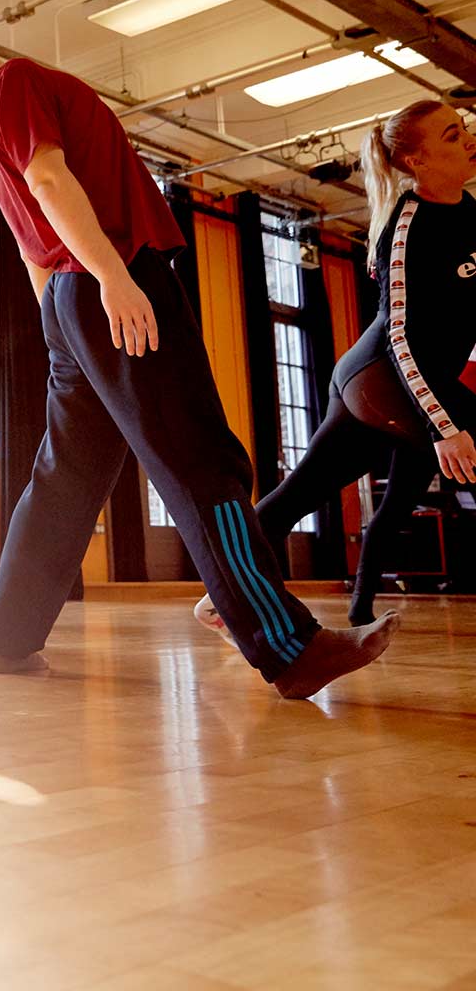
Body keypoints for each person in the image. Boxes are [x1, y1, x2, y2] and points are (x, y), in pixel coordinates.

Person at [0, 29, 399, 698]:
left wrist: (66, 324)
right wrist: (111, 279)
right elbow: (49, 182)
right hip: (110, 277)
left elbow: (32, 251)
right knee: (199, 461)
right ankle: (290, 647)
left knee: (65, 482)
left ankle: (9, 638)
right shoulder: (8, 85)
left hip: (72, 299)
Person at [195, 100, 475, 637]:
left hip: (417, 384)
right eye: (449, 134)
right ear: (417, 161)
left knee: (302, 495)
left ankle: (217, 598)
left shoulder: (470, 211)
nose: (465, 139)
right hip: (380, 380)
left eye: (462, 128)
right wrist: (444, 426)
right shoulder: (407, 227)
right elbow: (399, 338)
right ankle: (225, 590)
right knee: (306, 491)